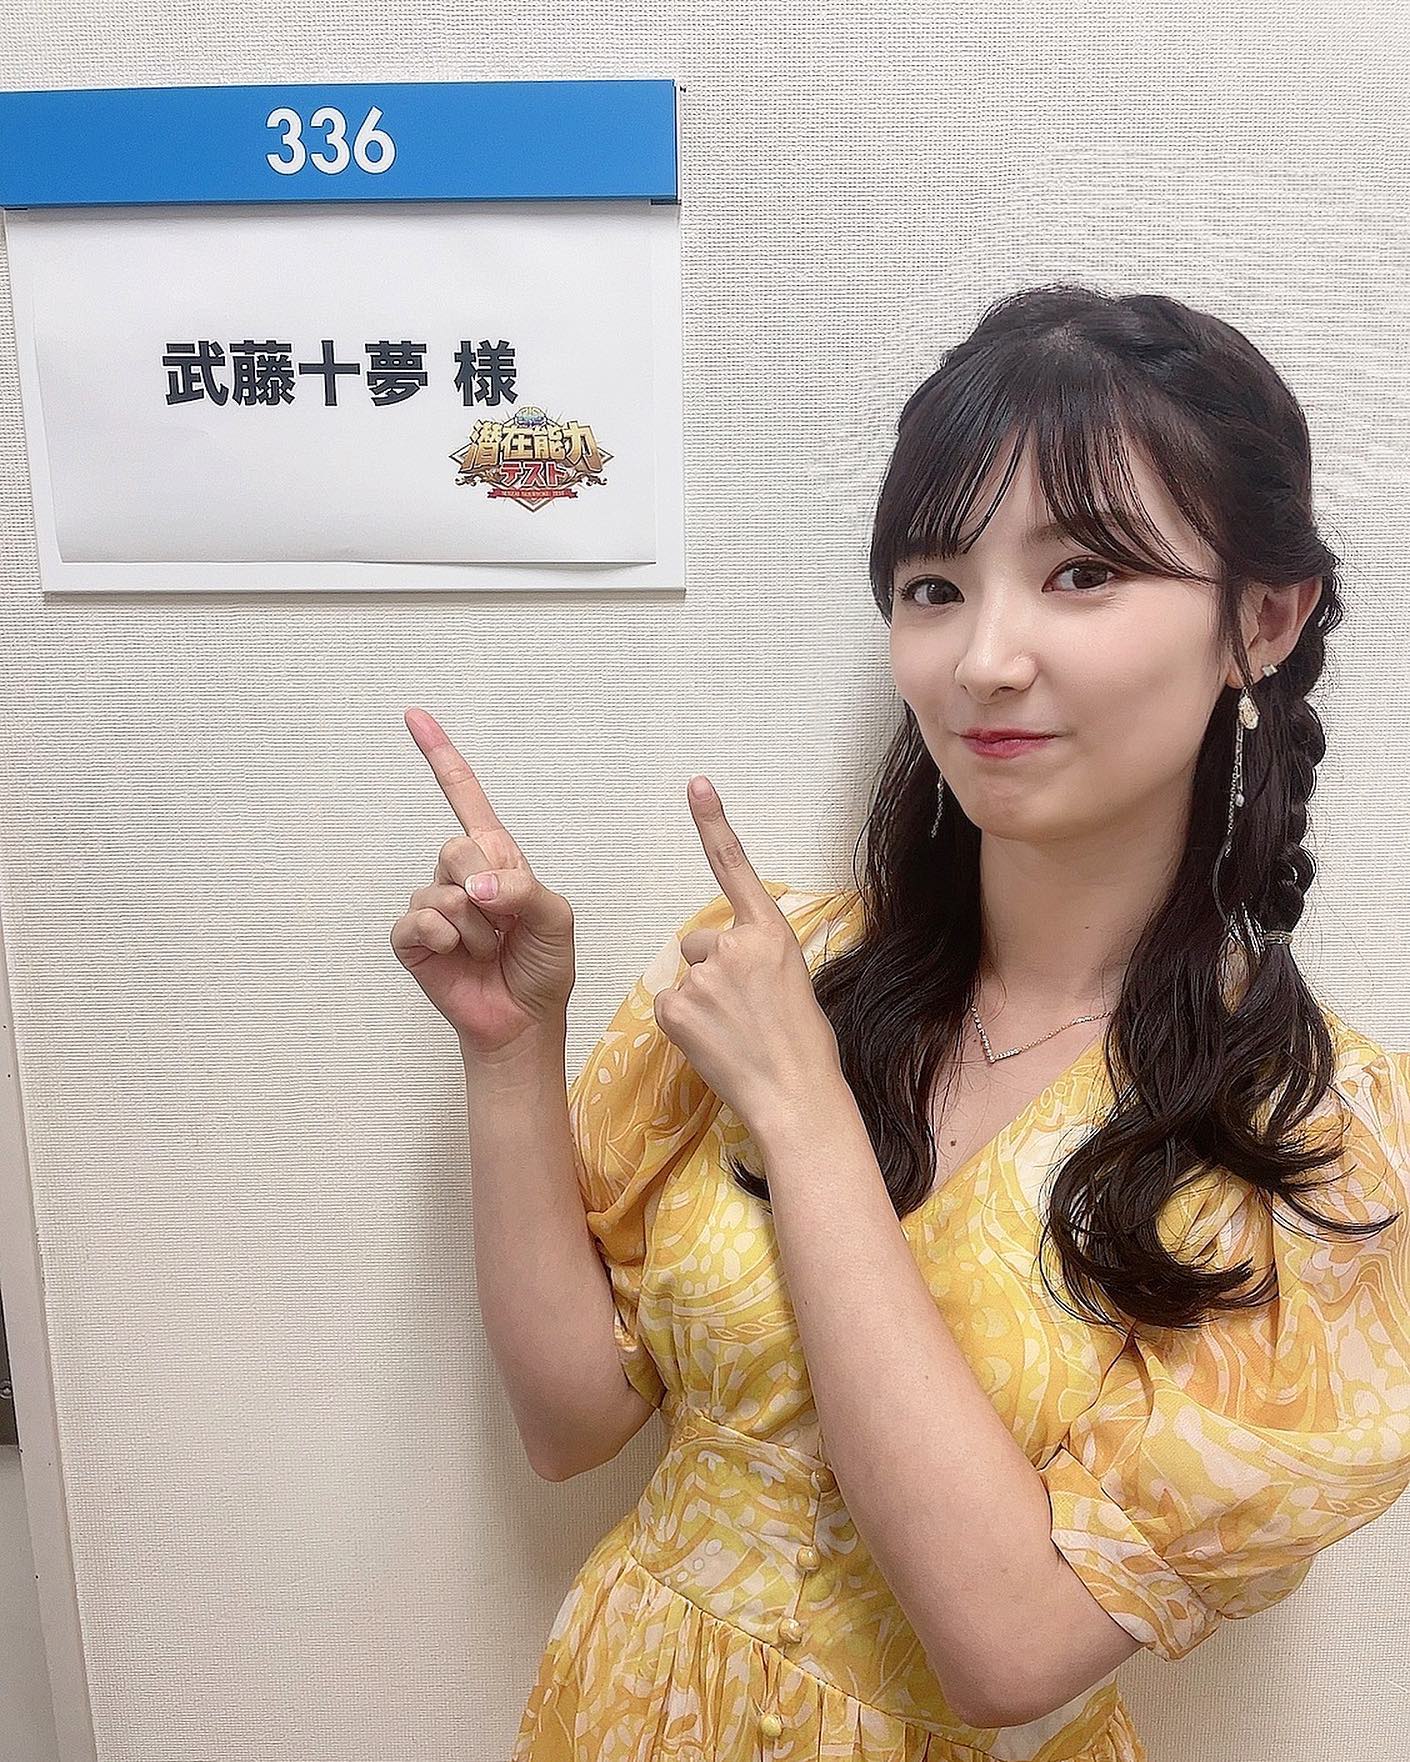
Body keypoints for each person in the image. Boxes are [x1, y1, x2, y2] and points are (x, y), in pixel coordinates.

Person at [393, 285, 1410, 1762]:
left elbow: (1008, 1647)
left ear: (1260, 618)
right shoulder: (785, 969)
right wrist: (508, 1047)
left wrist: (802, 1112)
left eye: (1080, 574)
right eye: (934, 586)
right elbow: (572, 1424)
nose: (982, 657)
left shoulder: (1318, 1151)